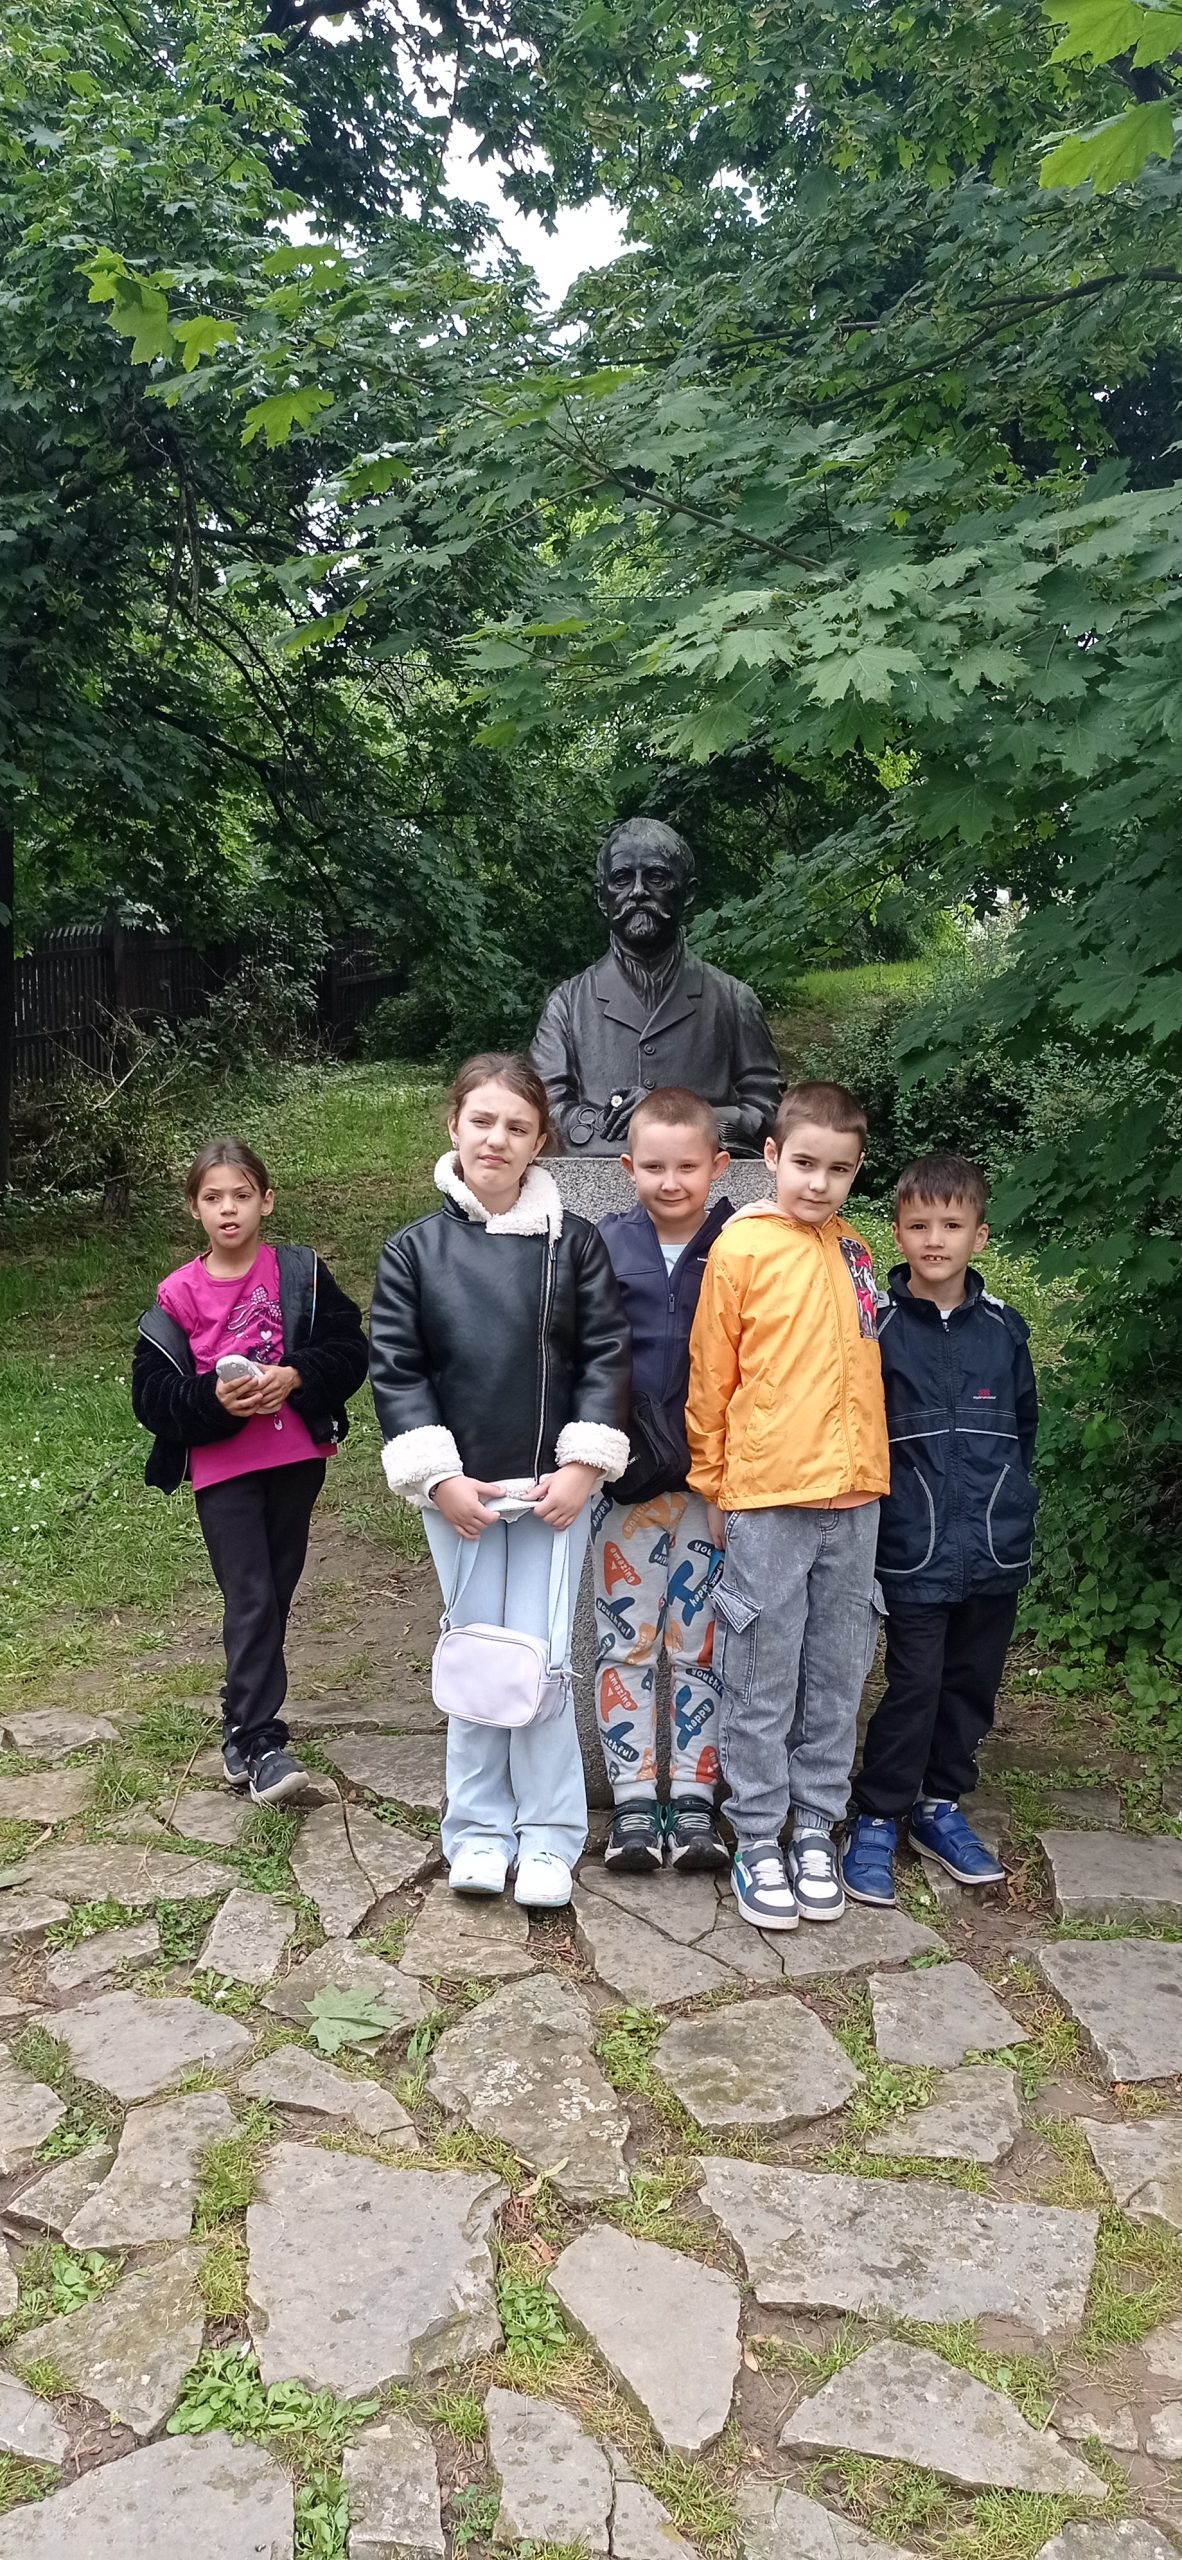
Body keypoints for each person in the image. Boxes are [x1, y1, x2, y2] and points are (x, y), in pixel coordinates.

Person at [369, 1053, 631, 1909]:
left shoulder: (575, 1244)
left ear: (540, 1141)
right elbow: (398, 1368)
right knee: (479, 1658)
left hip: (553, 1494)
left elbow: (604, 1353)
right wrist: (439, 1478)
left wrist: (583, 1465)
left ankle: (550, 1835)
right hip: (464, 1497)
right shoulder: (414, 1251)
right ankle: (478, 1830)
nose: (497, 1139)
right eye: (482, 1121)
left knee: (545, 1663)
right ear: (455, 1125)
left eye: (517, 1127)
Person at [685, 1082, 889, 1930]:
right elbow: (711, 1374)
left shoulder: (857, 1251)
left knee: (836, 1673)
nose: (819, 1182)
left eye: (838, 1169)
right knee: (763, 1673)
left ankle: (815, 1826)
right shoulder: (741, 1248)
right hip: (770, 1497)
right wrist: (714, 1482)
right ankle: (759, 1833)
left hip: (856, 1497)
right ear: (772, 1157)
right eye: (804, 1163)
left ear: (856, 1172)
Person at [132, 1136, 369, 1805]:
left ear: (266, 1200)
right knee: (252, 1595)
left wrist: (296, 1375)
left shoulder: (300, 1273)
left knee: (275, 1591)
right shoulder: (177, 1295)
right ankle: (261, 1740)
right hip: (223, 1469)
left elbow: (350, 1349)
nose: (228, 1209)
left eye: (241, 1195)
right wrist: (214, 1400)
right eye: (213, 1198)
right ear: (195, 1208)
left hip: (295, 1460)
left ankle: (240, 1722)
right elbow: (152, 1396)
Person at [842, 1152, 1039, 1907]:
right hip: (911, 1547)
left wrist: (1010, 1504)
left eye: (951, 1225)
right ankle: (878, 1814)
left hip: (993, 1546)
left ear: (979, 1236)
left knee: (970, 1685)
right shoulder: (879, 1329)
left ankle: (939, 1804)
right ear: (897, 1233)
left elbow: (1024, 1431)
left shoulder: (1005, 1330)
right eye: (920, 1225)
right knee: (915, 1684)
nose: (935, 1239)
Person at [592, 1088, 735, 1873]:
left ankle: (697, 1801)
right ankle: (633, 1802)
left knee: (701, 1643)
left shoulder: (742, 1246)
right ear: (627, 1167)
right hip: (629, 1483)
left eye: (687, 1166)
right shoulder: (604, 1245)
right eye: (653, 1167)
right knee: (627, 1640)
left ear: (719, 1165)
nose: (671, 1182)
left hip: (714, 1488)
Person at [532, 816, 781, 1154]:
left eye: (657, 877)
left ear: (687, 893)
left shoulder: (734, 1001)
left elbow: (766, 1112)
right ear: (602, 898)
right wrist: (622, 1126)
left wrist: (674, 1118)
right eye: (622, 879)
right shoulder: (567, 1005)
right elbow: (543, 1112)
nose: (638, 891)